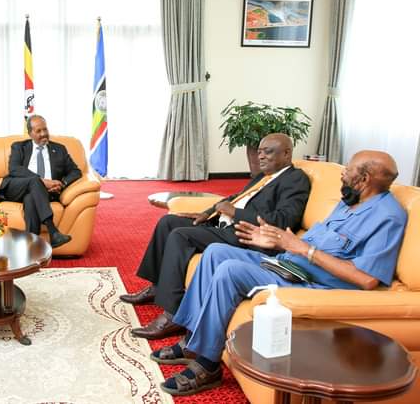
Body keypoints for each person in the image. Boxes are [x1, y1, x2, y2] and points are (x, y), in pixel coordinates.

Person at [151, 150, 406, 397]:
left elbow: (366, 279)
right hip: (287, 263)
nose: (343, 173)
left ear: (364, 179)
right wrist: (276, 241)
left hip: (310, 282)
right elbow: (312, 243)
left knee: (230, 270)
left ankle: (207, 365)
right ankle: (193, 340)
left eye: (348, 170)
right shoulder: (350, 201)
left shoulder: (388, 216)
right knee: (216, 252)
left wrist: (304, 249)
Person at [121, 133, 310, 339]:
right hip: (222, 224)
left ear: (286, 153)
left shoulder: (295, 179)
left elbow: (283, 220)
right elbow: (234, 198)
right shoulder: (262, 177)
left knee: (180, 236)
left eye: (268, 152)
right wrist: (207, 212)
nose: (261, 156)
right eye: (260, 152)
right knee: (168, 222)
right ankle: (157, 287)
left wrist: (235, 213)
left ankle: (173, 314)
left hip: (245, 235)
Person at [0, 115, 80, 248]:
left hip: (43, 194)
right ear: (30, 133)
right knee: (35, 181)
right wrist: (42, 181)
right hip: (17, 188)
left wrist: (62, 184)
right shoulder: (19, 147)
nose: (43, 134)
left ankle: (31, 246)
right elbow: (14, 169)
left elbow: (75, 171)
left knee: (30, 199)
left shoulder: (59, 149)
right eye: (38, 131)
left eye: (45, 129)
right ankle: (52, 230)